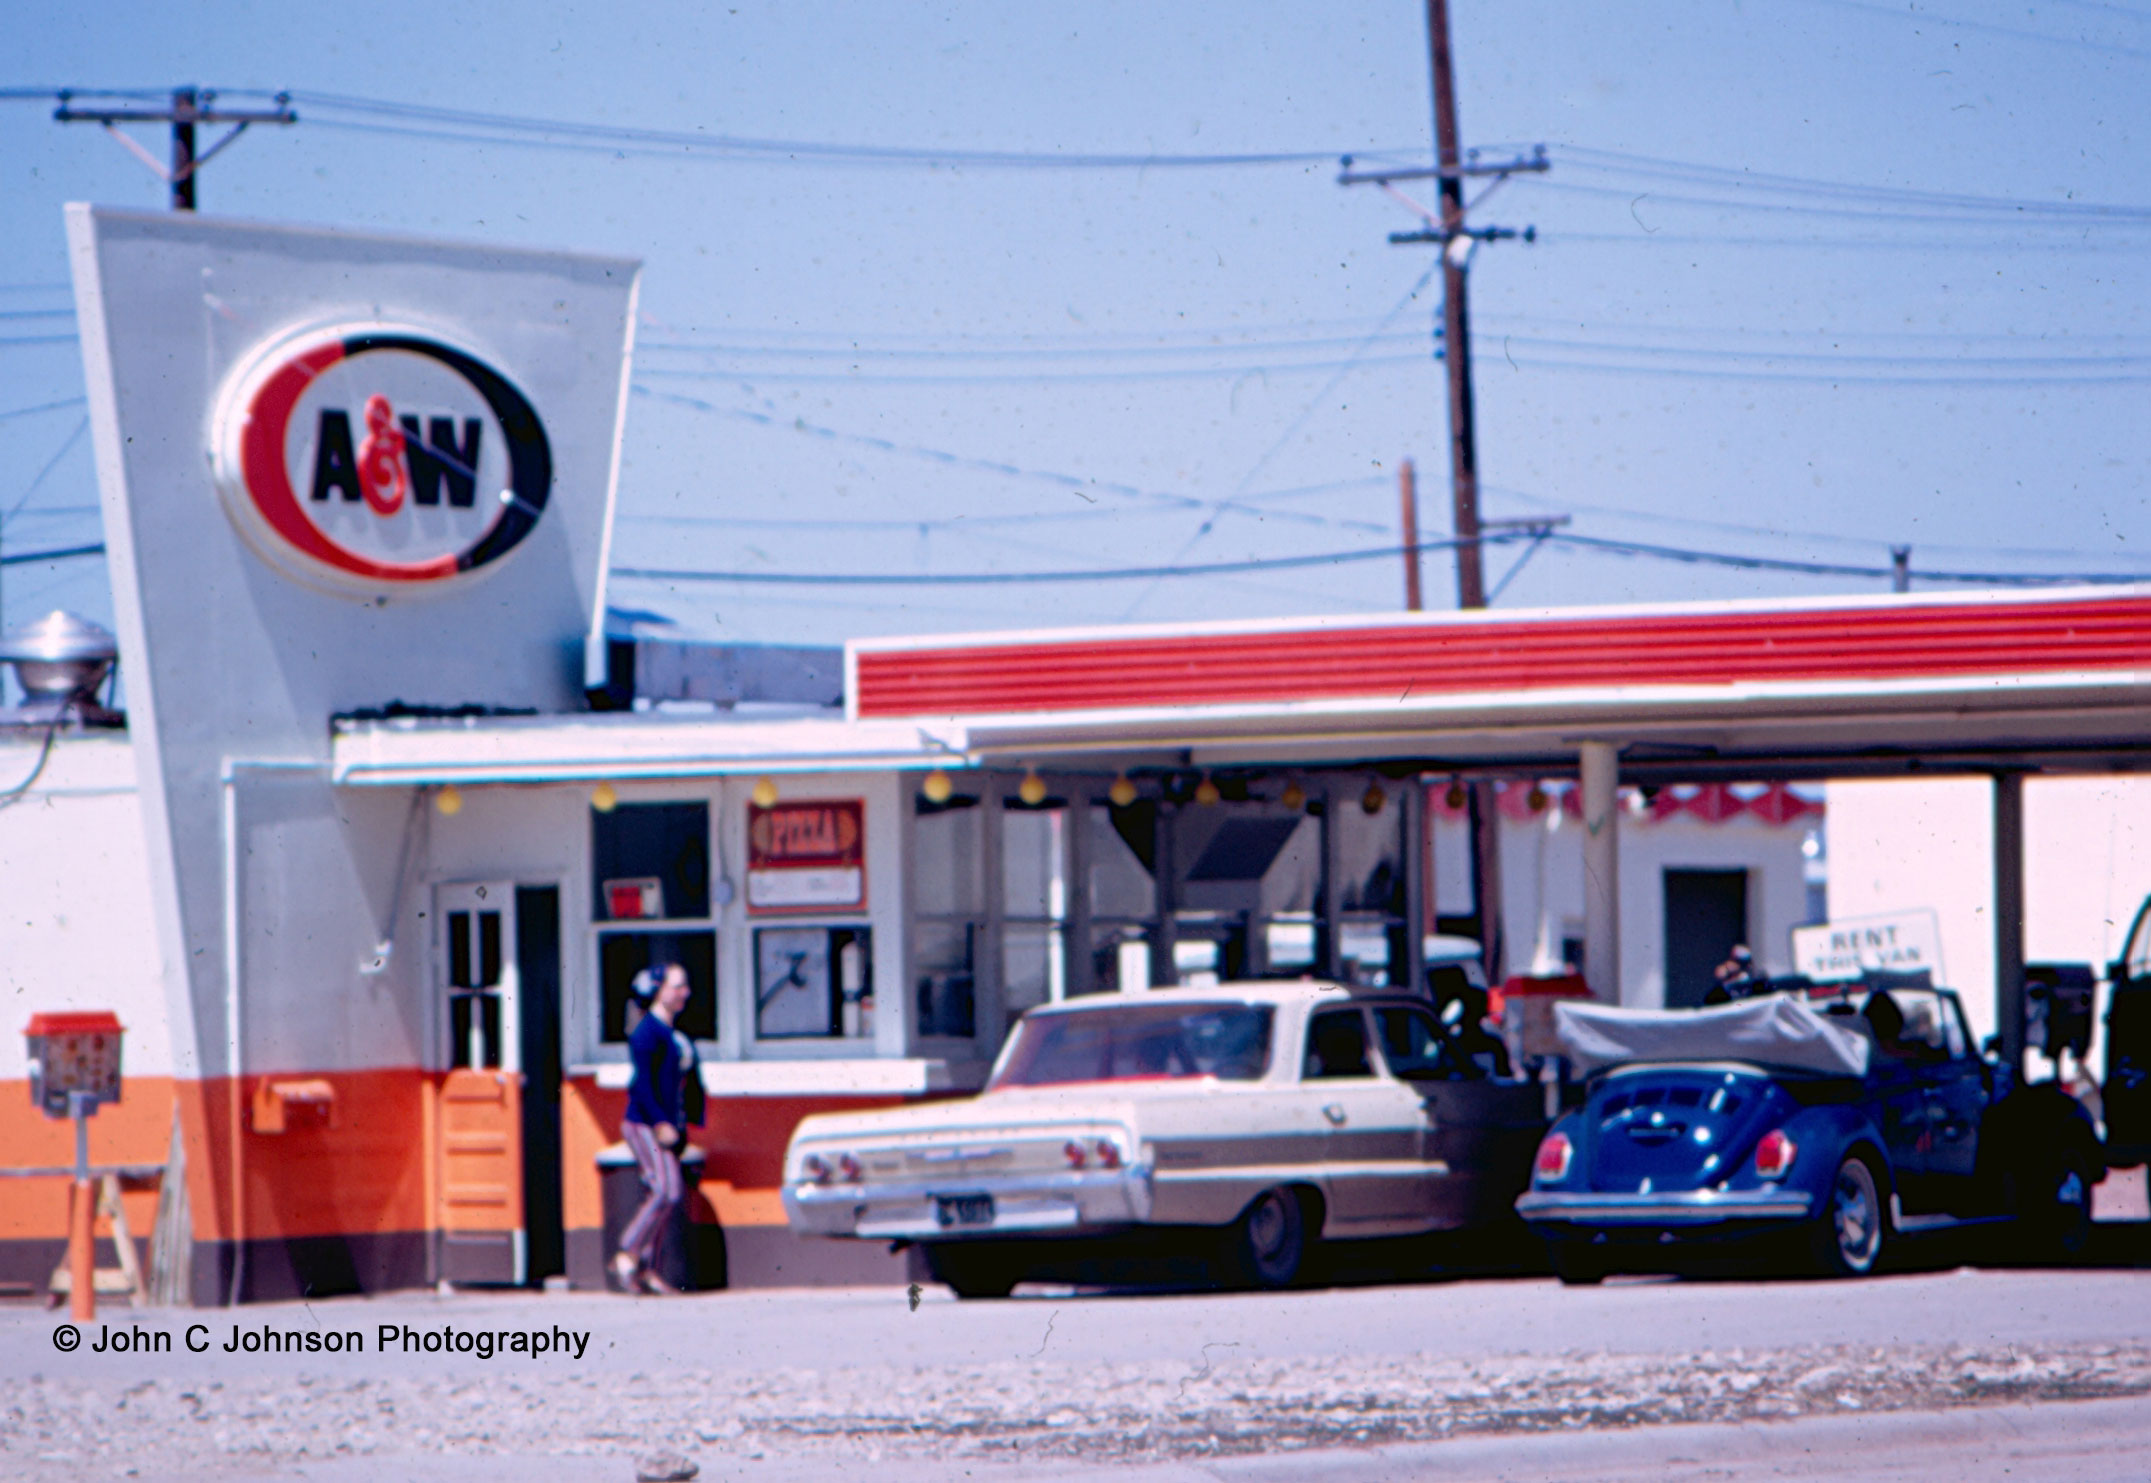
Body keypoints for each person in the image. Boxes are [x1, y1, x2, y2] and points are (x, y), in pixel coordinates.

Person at [615, 962, 693, 1295]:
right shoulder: (647, 1033)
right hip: (643, 1123)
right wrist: (660, 1122)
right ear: (658, 991)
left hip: (662, 1124)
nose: (683, 993)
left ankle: (647, 1267)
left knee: (670, 1193)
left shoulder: (670, 1034)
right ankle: (627, 1251)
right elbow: (643, 1085)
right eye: (677, 986)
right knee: (663, 1190)